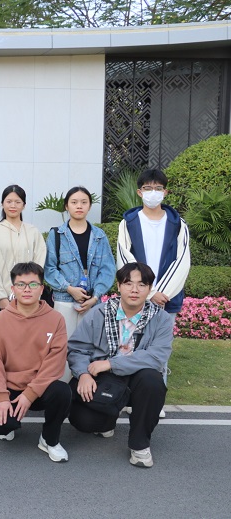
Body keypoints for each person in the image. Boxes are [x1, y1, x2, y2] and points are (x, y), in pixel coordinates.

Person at [68, 262, 173, 468]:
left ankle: (140, 444)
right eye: (128, 283)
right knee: (83, 420)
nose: (134, 290)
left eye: (142, 285)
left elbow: (156, 356)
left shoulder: (161, 318)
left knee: (153, 381)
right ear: (119, 286)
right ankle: (106, 420)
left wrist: (111, 363)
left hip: (137, 377)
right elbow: (77, 348)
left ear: (150, 289)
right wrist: (83, 375)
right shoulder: (100, 313)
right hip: (104, 377)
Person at [117, 169, 190, 415]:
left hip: (166, 299)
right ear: (140, 192)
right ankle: (127, 399)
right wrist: (148, 292)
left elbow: (182, 261)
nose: (153, 193)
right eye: (148, 188)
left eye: (158, 188)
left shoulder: (178, 224)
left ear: (165, 192)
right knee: (129, 346)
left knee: (160, 351)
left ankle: (154, 402)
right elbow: (125, 258)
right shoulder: (128, 223)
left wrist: (161, 293)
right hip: (135, 297)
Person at [0, 262, 71, 463]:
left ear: (41, 289)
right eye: (21, 284)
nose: (27, 289)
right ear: (13, 288)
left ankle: (49, 439)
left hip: (40, 388)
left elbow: (55, 363)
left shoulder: (56, 319)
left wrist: (29, 394)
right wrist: (1, 397)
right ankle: (8, 423)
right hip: (10, 389)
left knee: (62, 392)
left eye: (33, 284)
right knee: (2, 426)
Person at [0, 184, 46, 385]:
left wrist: (28, 293)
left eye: (17, 201)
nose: (13, 205)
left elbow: (39, 264)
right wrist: (2, 299)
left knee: (25, 347)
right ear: (2, 204)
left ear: (24, 205)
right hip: (0, 303)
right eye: (9, 201)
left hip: (27, 301)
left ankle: (24, 386)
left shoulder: (33, 232)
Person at [45, 186, 115, 337]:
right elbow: (49, 268)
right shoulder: (56, 234)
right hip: (64, 300)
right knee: (63, 344)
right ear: (67, 206)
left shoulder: (99, 236)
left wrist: (95, 297)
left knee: (89, 345)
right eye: (74, 202)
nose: (79, 206)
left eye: (84, 202)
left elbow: (107, 269)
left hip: (92, 301)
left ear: (89, 206)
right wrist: (69, 289)